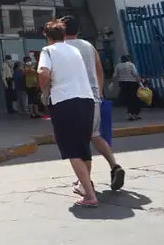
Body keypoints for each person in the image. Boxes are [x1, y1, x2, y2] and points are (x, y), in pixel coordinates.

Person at [37, 20, 99, 208]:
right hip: (86, 100)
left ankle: (90, 195)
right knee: (83, 147)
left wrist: (43, 87)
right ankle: (85, 186)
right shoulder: (75, 51)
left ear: (47, 36)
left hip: (64, 102)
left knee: (71, 148)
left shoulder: (48, 51)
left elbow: (43, 70)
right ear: (64, 35)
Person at [61, 15, 125, 192]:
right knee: (95, 135)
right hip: (93, 98)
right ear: (78, 30)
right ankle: (114, 165)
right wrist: (99, 92)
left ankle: (84, 184)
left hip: (73, 100)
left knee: (78, 142)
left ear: (62, 30)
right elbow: (99, 71)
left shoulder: (60, 48)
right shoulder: (89, 46)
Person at [113, 55, 143, 121]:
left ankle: (130, 114)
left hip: (123, 83)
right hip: (132, 83)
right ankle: (134, 114)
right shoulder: (131, 65)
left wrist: (112, 83)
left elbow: (115, 75)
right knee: (135, 99)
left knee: (128, 99)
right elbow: (135, 74)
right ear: (128, 59)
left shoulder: (118, 66)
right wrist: (141, 84)